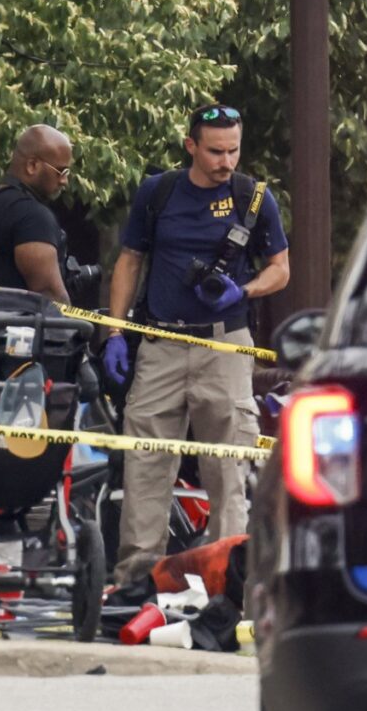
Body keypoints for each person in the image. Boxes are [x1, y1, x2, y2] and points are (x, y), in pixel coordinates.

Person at [103, 103, 290, 587]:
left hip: (225, 345)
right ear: (191, 146)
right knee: (144, 463)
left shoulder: (254, 198)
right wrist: (116, 332)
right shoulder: (159, 192)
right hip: (161, 340)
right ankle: (135, 582)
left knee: (228, 471)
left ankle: (225, 586)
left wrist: (244, 291)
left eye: (233, 150)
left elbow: (280, 268)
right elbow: (129, 260)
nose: (226, 161)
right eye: (214, 151)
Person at [0, 124, 72, 303]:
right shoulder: (33, 217)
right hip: (20, 329)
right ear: (32, 165)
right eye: (61, 171)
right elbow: (51, 299)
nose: (64, 181)